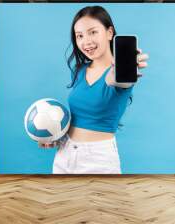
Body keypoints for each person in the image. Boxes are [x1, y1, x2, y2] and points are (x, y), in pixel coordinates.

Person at [47, 6, 149, 174]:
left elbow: (115, 80)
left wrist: (124, 70)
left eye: (93, 32)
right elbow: (77, 118)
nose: (86, 41)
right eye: (79, 36)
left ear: (109, 33)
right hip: (64, 153)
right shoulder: (79, 70)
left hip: (98, 159)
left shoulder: (119, 74)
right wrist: (54, 136)